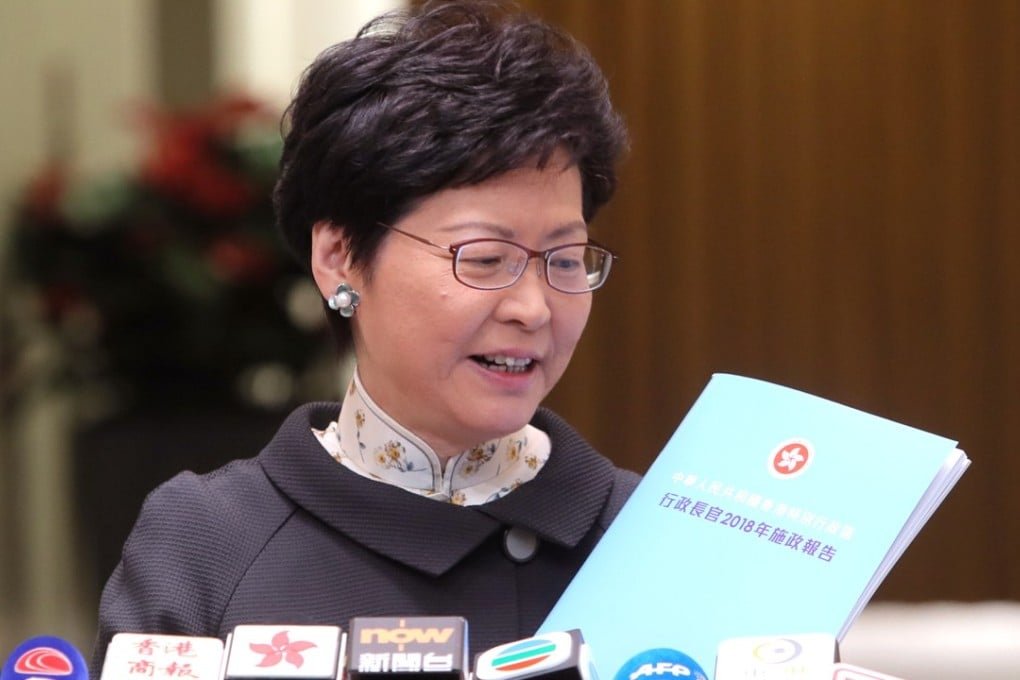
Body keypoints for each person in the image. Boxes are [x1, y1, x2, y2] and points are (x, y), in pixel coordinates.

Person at [90, 0, 636, 674]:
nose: (534, 307)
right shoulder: (207, 541)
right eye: (484, 258)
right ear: (340, 259)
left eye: (563, 259)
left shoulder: (655, 533)